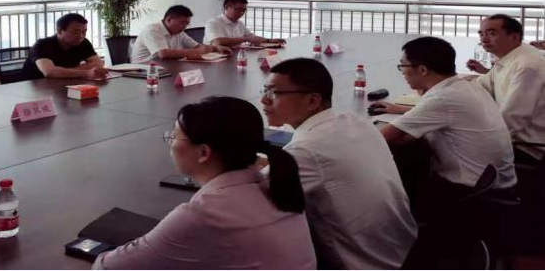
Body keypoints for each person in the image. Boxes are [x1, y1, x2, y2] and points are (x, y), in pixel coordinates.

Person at [94, 96, 316, 270]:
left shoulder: (204, 214)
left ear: (203, 153)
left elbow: (107, 267)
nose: (170, 143)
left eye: (175, 136)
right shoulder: (277, 184)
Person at [260, 58, 416, 269]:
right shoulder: (355, 121)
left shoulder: (306, 150)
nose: (264, 100)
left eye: (274, 93)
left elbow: (249, 195)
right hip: (405, 248)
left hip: (365, 263)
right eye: (265, 91)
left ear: (313, 101)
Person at [376, 36, 516, 203]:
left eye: (403, 66)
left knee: (396, 164)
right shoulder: (467, 86)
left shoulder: (443, 98)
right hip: (494, 182)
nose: (402, 72)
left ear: (422, 70)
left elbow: (382, 136)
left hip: (469, 193)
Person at [465, 14, 545, 163]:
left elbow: (512, 119)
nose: (484, 39)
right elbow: (482, 85)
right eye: (481, 34)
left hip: (527, 148)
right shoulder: (508, 59)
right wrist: (447, 85)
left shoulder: (527, 65)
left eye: (491, 33)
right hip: (511, 140)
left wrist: (477, 141)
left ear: (514, 37)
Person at [130, 5, 231, 64]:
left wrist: (216, 48)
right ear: (169, 20)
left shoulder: (179, 32)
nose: (185, 26)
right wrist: (198, 51)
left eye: (187, 23)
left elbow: (197, 46)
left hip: (166, 68)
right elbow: (164, 54)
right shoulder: (153, 30)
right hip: (142, 71)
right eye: (182, 23)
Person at [21, 13, 108, 80]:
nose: (81, 36)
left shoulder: (83, 42)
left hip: (64, 83)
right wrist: (86, 73)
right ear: (59, 31)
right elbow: (49, 72)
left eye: (84, 32)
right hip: (34, 87)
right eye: (76, 32)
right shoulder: (42, 45)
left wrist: (62, 72)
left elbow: (98, 64)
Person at [203, 0, 286, 47]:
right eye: (238, 9)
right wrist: (245, 39)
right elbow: (218, 42)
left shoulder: (239, 23)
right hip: (215, 58)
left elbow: (252, 37)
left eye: (244, 10)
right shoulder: (213, 23)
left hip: (234, 56)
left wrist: (269, 40)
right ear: (226, 7)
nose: (241, 12)